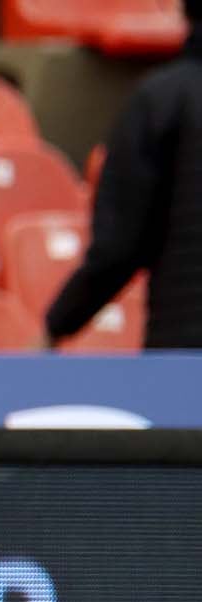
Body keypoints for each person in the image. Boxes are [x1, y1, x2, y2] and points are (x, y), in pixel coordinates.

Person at [44, 0, 202, 349]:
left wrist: (57, 325)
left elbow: (119, 247)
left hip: (186, 354)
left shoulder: (163, 98)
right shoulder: (166, 101)